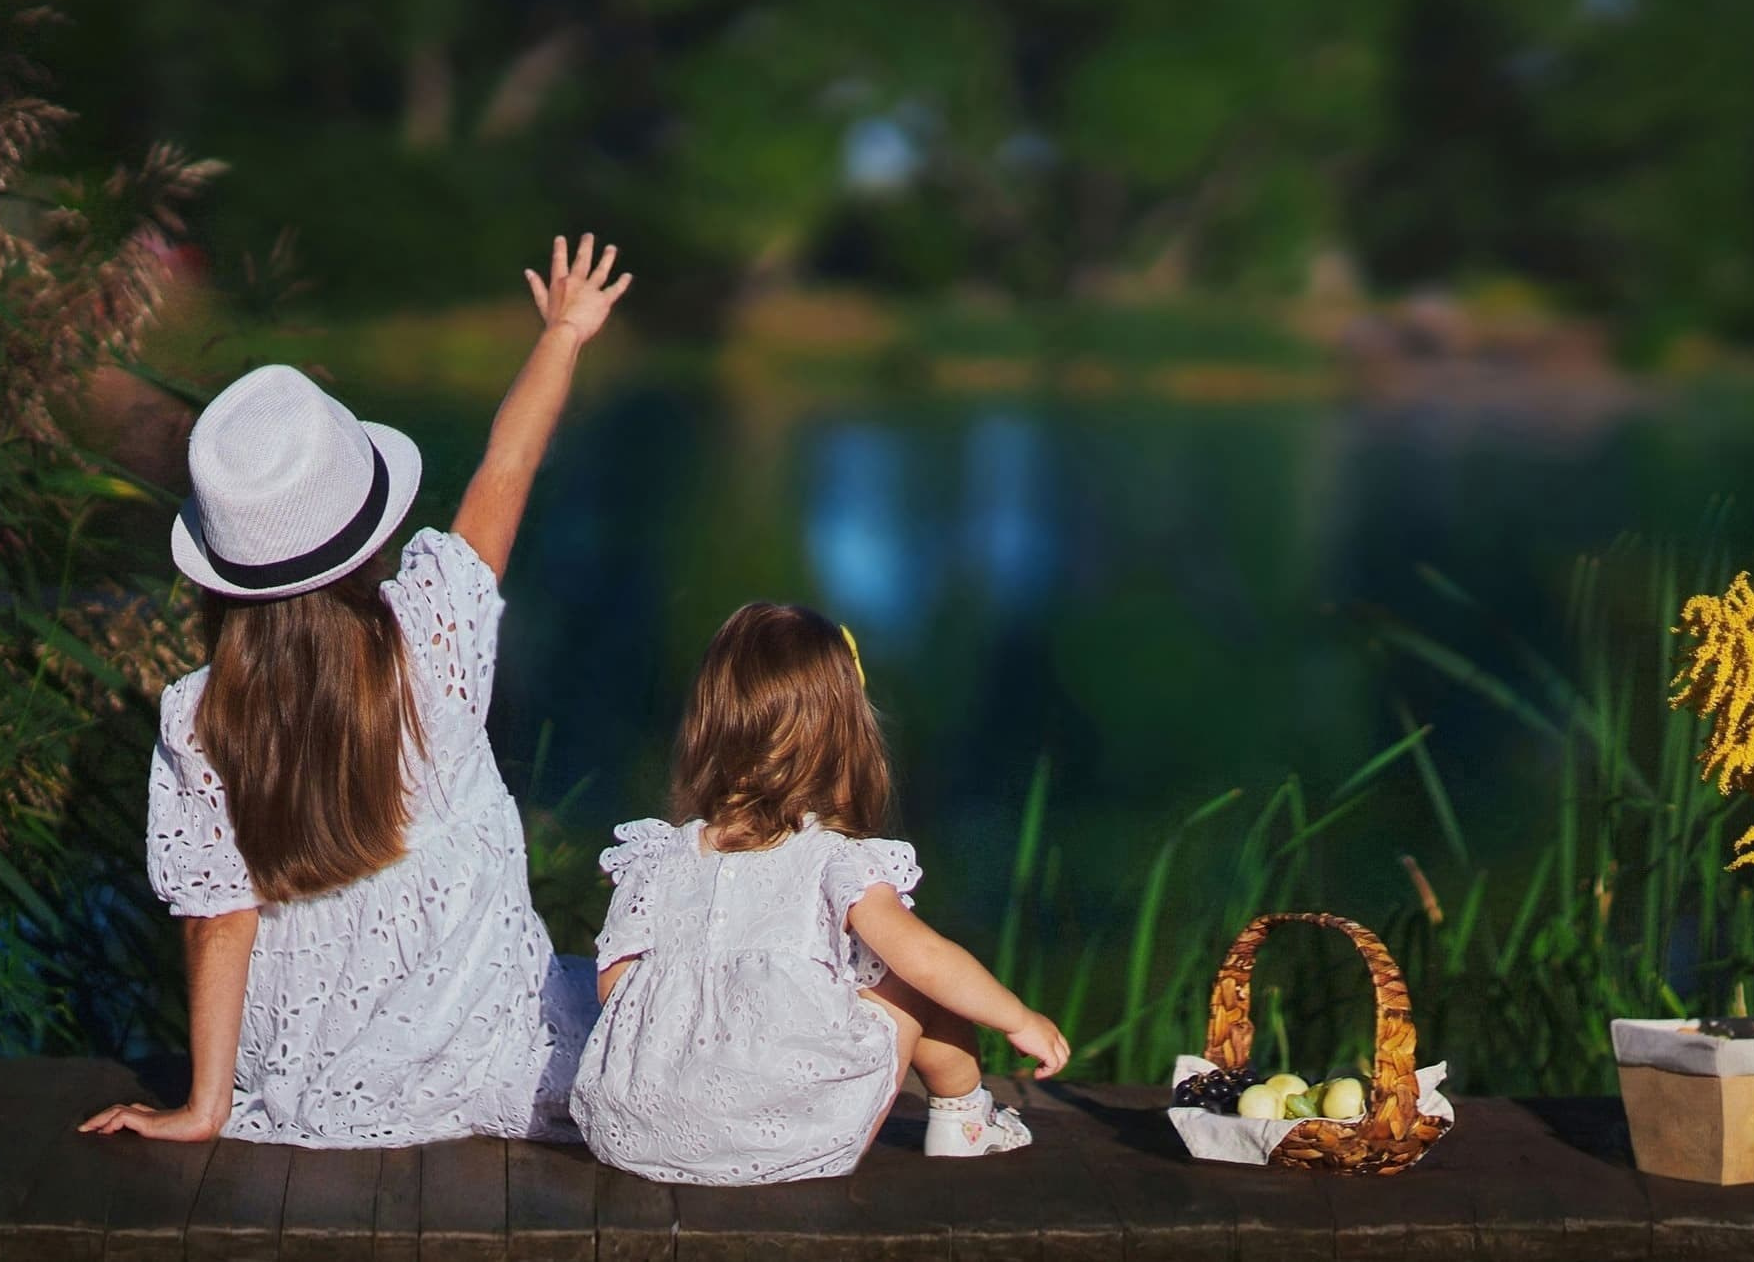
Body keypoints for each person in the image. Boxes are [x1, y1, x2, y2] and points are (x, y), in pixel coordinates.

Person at [81, 235, 633, 1146]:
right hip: (473, 1045)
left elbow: (217, 917)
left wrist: (207, 1105)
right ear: (366, 533)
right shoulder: (436, 627)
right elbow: (506, 467)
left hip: (306, 1077)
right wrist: (564, 334)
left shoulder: (203, 712)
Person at [569, 602, 1073, 1183]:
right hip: (787, 1138)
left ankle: (956, 1115)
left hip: (637, 1131)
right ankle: (965, 1116)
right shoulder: (830, 860)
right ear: (842, 738)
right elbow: (927, 958)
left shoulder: (657, 860)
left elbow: (615, 989)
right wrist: (1018, 1018)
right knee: (903, 977)